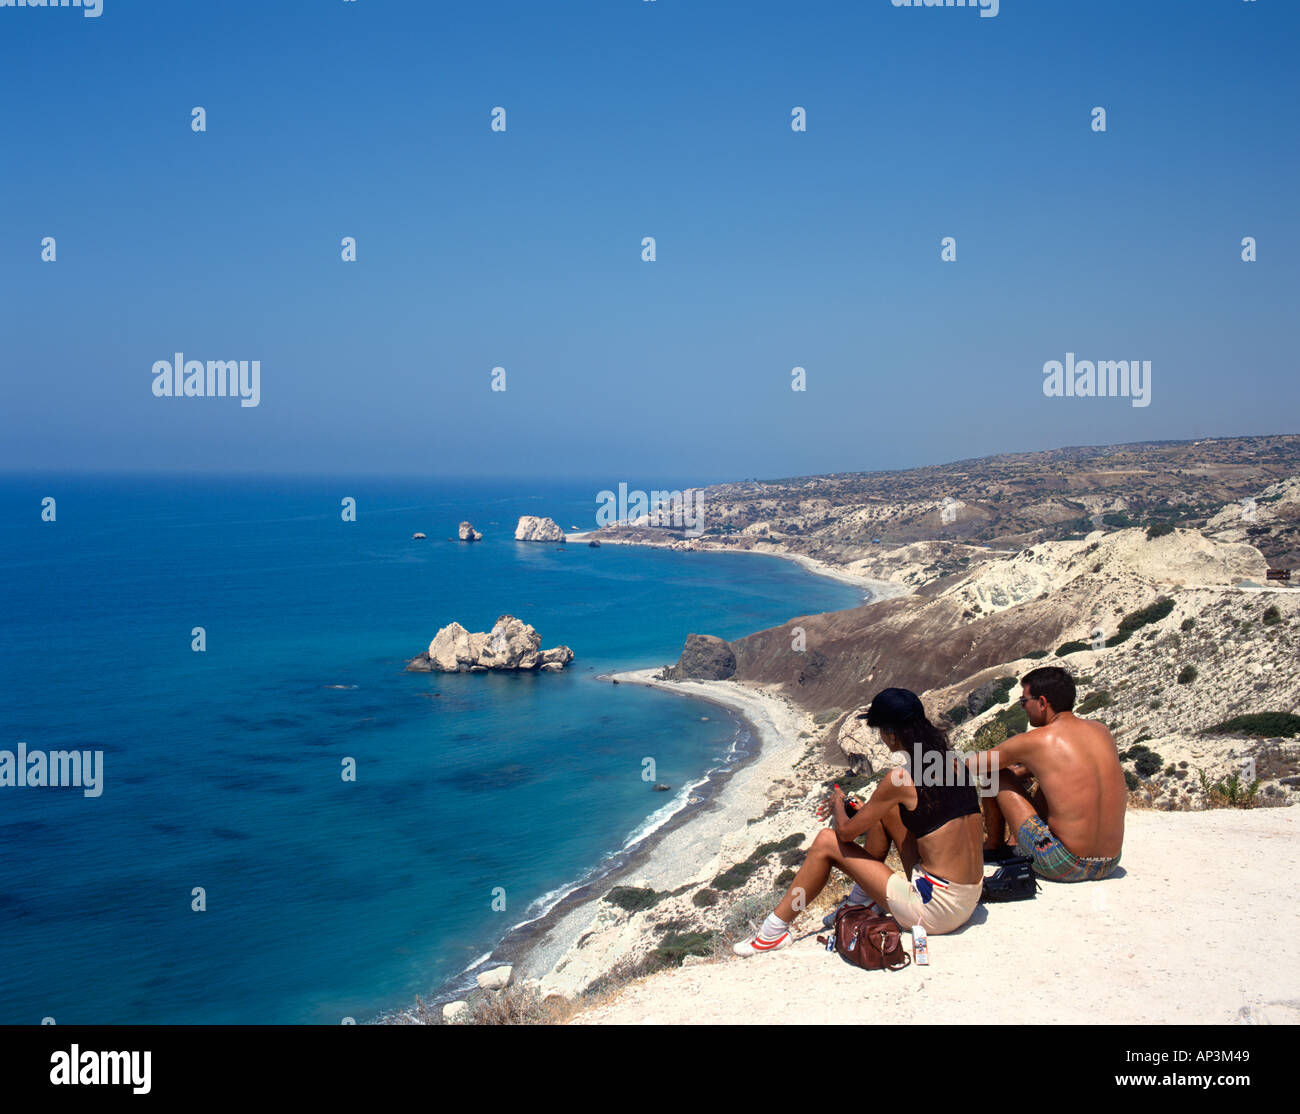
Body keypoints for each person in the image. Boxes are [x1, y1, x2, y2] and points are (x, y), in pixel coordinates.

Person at [733, 688, 984, 956]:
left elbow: (844, 834)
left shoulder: (900, 779)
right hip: (968, 897)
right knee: (885, 812)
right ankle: (860, 901)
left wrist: (838, 803)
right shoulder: (955, 764)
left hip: (936, 911)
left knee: (825, 841)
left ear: (890, 735)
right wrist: (868, 812)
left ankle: (772, 932)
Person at [972, 665, 1125, 882]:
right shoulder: (1102, 731)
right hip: (1109, 862)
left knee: (995, 773)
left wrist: (924, 763)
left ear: (1042, 703)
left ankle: (994, 845)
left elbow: (972, 765)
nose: (1023, 708)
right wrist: (1026, 770)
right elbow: (1067, 771)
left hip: (1063, 864)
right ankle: (1010, 843)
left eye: (1024, 701)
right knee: (1038, 779)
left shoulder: (1037, 740)